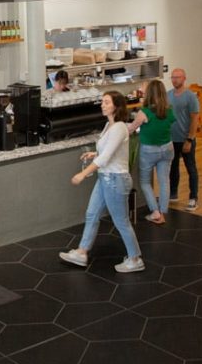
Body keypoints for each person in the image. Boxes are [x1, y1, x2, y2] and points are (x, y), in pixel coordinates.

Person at [58, 91, 145, 273]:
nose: (102, 105)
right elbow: (107, 152)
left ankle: (135, 259)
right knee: (91, 214)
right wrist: (94, 154)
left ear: (116, 106)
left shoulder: (120, 128)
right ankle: (81, 252)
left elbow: (106, 158)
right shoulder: (108, 125)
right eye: (102, 102)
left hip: (116, 180)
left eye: (106, 102)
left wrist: (83, 174)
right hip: (105, 178)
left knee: (121, 221)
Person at [128, 79, 176, 224]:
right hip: (167, 148)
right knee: (164, 181)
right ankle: (163, 212)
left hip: (149, 150)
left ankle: (155, 212)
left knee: (144, 182)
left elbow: (130, 129)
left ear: (149, 93)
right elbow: (169, 123)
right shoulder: (169, 110)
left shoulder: (145, 112)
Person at [168, 68, 200, 211]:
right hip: (171, 139)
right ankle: (173, 193)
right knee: (173, 167)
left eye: (178, 77)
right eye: (173, 77)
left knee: (190, 168)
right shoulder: (168, 95)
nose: (175, 80)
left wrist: (189, 139)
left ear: (184, 78)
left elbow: (194, 119)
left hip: (185, 139)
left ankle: (193, 198)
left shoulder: (190, 97)